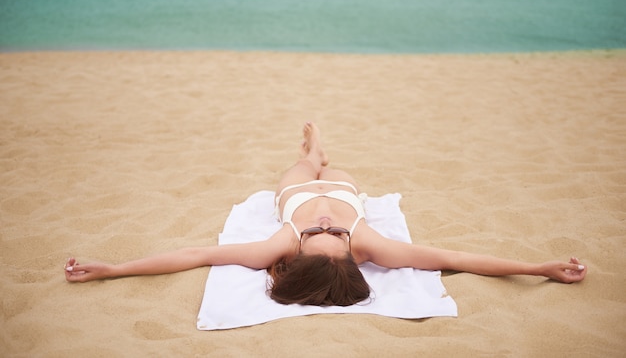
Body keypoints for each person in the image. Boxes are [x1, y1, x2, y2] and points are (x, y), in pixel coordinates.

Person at [65, 122, 587, 306]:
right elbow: (456, 257)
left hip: (289, 193)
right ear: (349, 250)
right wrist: (537, 267)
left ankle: (311, 154)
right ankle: (320, 154)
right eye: (330, 232)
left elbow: (195, 254)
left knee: (299, 170)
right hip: (347, 187)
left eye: (325, 231)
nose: (324, 224)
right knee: (326, 168)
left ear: (294, 256)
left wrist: (112, 269)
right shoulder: (367, 244)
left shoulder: (281, 245)